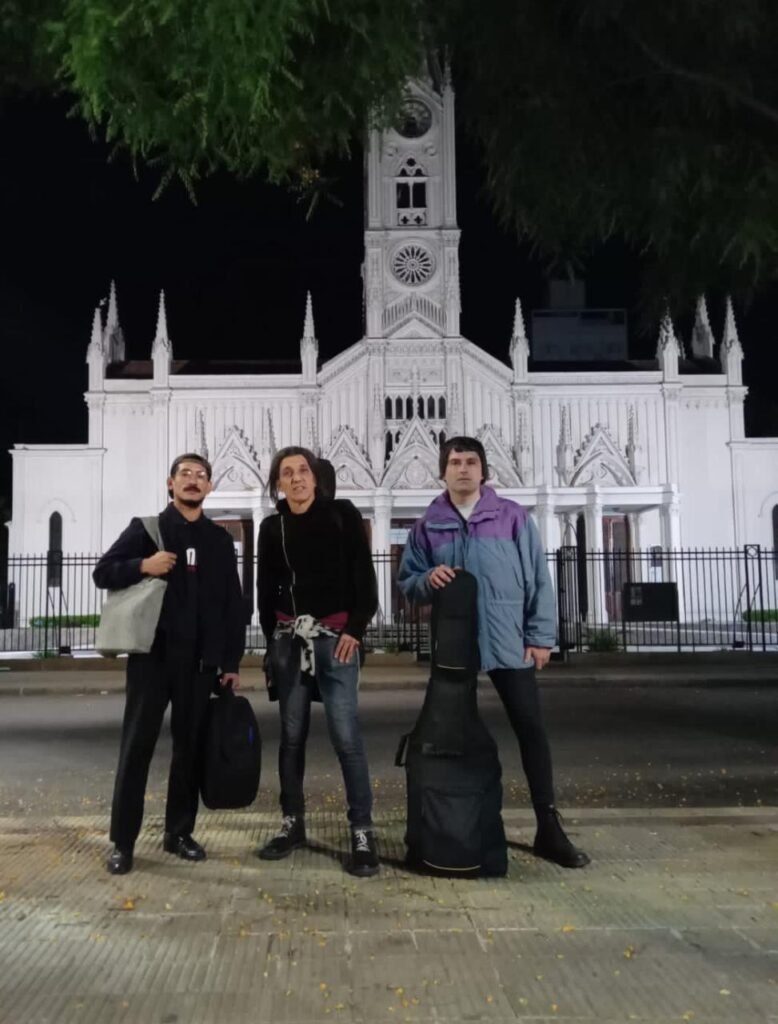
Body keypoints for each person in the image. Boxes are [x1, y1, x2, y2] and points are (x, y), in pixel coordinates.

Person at [398, 436, 590, 868]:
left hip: (508, 642)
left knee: (530, 729)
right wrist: (428, 578)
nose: (463, 469)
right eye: (454, 462)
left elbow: (538, 577)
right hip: (455, 648)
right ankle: (456, 823)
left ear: (484, 471)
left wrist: (540, 636)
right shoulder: (427, 525)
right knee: (450, 735)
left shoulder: (513, 517)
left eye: (471, 462)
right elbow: (407, 580)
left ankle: (548, 826)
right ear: (442, 472)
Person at [94, 453, 245, 875]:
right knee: (136, 749)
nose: (193, 480)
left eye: (201, 476)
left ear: (209, 487)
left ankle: (178, 833)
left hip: (200, 665)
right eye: (185, 474)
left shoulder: (218, 540)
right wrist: (143, 565)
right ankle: (123, 842)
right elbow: (103, 572)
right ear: (170, 483)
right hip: (153, 659)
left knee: (189, 750)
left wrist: (230, 661)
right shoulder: (147, 530)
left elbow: (232, 604)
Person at [256, 446, 380, 876]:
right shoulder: (272, 528)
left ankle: (362, 831)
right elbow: (265, 589)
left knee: (346, 737)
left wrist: (355, 630)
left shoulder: (342, 515)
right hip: (290, 642)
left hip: (336, 640)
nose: (296, 478)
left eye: (303, 470)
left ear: (315, 477)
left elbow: (364, 578)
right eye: (287, 472)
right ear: (278, 483)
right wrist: (273, 641)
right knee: (291, 737)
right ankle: (292, 823)